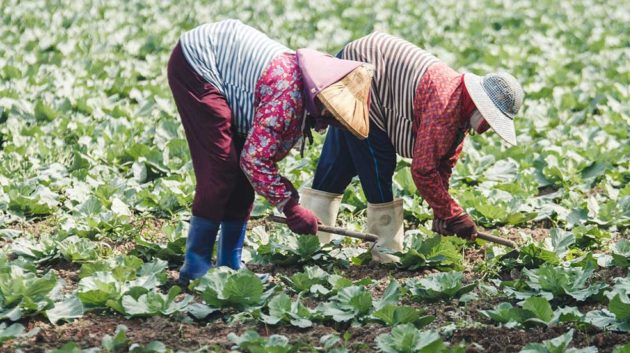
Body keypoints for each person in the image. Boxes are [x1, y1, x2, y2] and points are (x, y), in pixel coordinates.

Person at [167, 19, 373, 283]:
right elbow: (254, 160)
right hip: (198, 64)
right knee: (220, 171)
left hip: (230, 76)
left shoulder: (304, 88)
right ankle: (195, 268)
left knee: (241, 182)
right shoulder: (288, 97)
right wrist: (291, 207)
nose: (329, 123)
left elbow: (252, 165)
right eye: (331, 115)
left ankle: (230, 266)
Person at [301, 32, 524, 262]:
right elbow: (424, 170)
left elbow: (442, 163)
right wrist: (455, 215)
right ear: (481, 108)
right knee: (378, 161)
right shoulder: (446, 108)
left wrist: (442, 211)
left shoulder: (459, 104)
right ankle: (385, 248)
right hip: (363, 72)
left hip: (364, 62)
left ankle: (310, 238)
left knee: (341, 159)